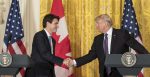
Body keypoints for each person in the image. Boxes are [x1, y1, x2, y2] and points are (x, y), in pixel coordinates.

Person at [65, 14, 149, 77]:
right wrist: (73, 62)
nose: (96, 26)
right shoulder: (98, 39)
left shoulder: (121, 34)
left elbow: (138, 47)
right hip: (104, 74)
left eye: (97, 23)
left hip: (121, 74)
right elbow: (91, 56)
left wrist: (148, 58)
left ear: (105, 23)